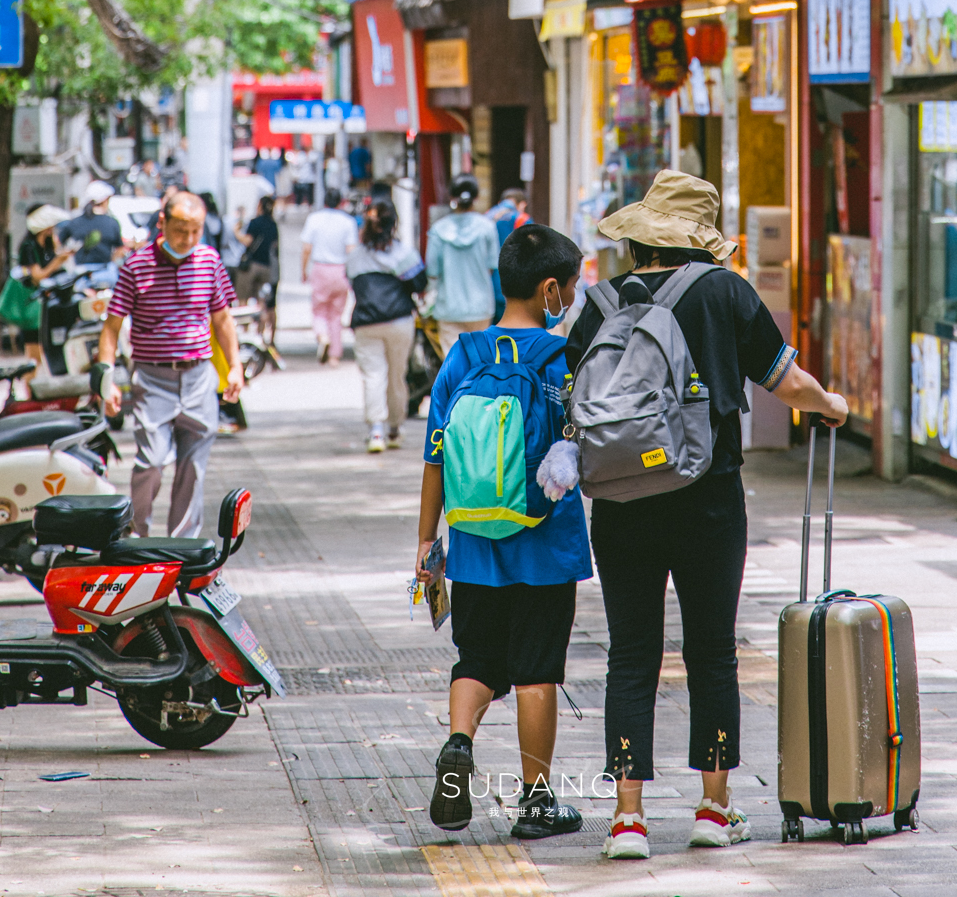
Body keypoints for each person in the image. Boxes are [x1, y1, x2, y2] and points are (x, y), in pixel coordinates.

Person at [565, 170, 848, 860]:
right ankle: (714, 808)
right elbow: (786, 381)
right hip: (708, 498)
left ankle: (628, 819)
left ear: (640, 237)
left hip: (620, 503)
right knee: (712, 651)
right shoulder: (725, 292)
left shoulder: (599, 303)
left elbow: (572, 399)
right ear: (701, 239)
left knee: (631, 654)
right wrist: (832, 405)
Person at [418, 223, 590, 843]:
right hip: (545, 543)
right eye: (571, 286)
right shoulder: (562, 359)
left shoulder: (462, 355)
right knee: (537, 671)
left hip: (472, 542)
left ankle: (460, 742)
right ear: (549, 290)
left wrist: (426, 543)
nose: (574, 296)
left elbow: (435, 456)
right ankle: (537, 803)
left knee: (478, 658)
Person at [97, 190, 243, 538]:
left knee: (193, 467)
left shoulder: (209, 261)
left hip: (199, 377)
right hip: (152, 379)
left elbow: (223, 319)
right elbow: (112, 327)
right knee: (152, 462)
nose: (188, 239)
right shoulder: (137, 266)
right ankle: (137, 537)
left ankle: (183, 546)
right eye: (181, 230)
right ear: (162, 223)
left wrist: (235, 366)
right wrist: (106, 380)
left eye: (196, 231)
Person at [348, 200, 426, 453]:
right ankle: (395, 428)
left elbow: (353, 284)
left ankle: (376, 432)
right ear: (393, 224)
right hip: (399, 321)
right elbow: (420, 283)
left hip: (366, 323)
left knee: (373, 376)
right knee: (396, 376)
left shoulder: (355, 256)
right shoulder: (404, 253)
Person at [427, 175, 500, 354]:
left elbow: (432, 271)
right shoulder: (487, 227)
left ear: (452, 197)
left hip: (448, 307)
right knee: (479, 360)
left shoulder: (438, 229)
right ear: (476, 197)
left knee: (453, 361)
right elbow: (492, 266)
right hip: (481, 307)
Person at [301, 186, 359, 365]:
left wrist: (303, 270)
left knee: (319, 310)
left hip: (320, 268)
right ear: (341, 202)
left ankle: (322, 335)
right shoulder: (348, 222)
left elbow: (306, 248)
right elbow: (351, 250)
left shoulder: (314, 219)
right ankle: (335, 355)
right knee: (336, 314)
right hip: (340, 271)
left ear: (324, 201)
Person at [13, 204, 71, 363]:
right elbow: (37, 276)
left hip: (45, 306)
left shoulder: (47, 244)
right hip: (32, 306)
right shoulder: (28, 247)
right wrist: (57, 261)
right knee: (34, 356)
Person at [57, 179, 124, 271]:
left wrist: (67, 253)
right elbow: (120, 249)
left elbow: (59, 241)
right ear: (104, 200)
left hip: (80, 271)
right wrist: (113, 262)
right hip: (105, 270)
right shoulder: (112, 223)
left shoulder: (76, 222)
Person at [237, 194, 280, 329]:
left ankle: (244, 329)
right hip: (266, 267)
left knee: (243, 299)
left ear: (260, 206)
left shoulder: (255, 222)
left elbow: (248, 241)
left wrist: (236, 232)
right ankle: (260, 331)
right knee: (262, 301)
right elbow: (275, 248)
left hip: (252, 266)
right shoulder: (273, 225)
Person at [488, 187, 530, 324]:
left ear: (500, 202)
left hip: (486, 283)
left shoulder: (485, 218)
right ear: (522, 204)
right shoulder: (522, 219)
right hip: (514, 282)